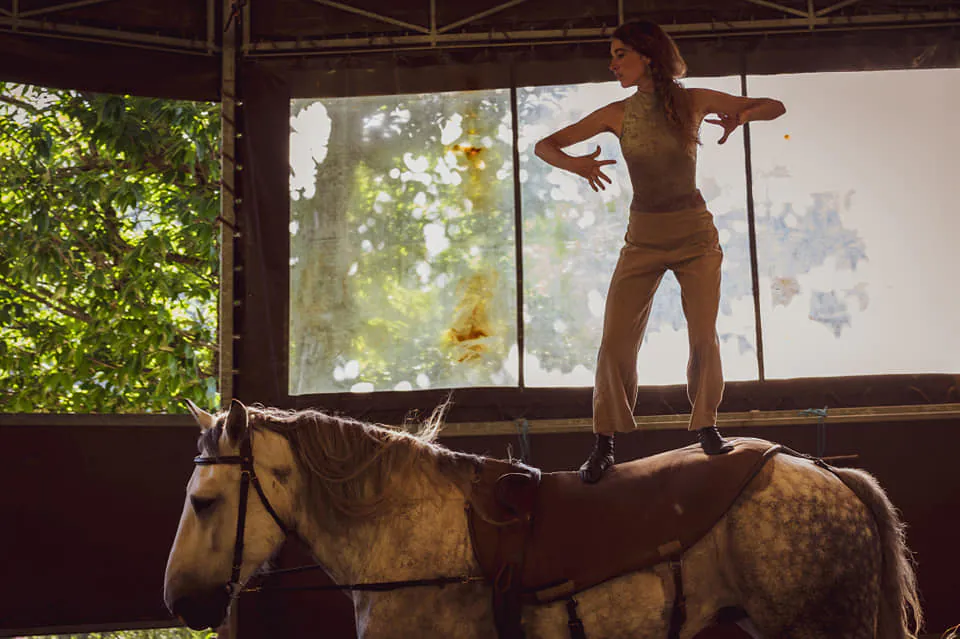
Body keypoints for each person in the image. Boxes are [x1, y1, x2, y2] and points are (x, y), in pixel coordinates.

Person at [534, 20, 786, 483]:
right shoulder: (615, 113)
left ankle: (706, 425)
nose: (612, 64)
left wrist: (743, 115)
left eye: (619, 54)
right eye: (612, 56)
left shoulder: (693, 100)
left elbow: (776, 106)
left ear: (648, 55)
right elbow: (544, 146)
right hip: (643, 238)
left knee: (702, 334)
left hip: (695, 236)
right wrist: (576, 165)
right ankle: (604, 442)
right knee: (615, 340)